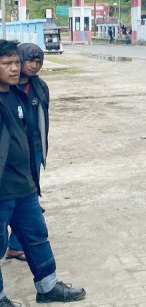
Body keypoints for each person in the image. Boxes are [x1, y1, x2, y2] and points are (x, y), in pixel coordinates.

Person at [0, 40, 86, 305]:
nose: (15, 69)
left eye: (16, 62)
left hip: (24, 186)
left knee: (37, 236)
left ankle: (48, 288)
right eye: (7, 64)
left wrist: (34, 178)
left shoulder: (19, 95)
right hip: (2, 190)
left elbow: (29, 138)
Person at [5, 44, 49, 263]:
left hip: (34, 151)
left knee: (29, 198)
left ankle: (16, 245)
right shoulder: (8, 90)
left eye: (39, 61)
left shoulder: (40, 87)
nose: (34, 65)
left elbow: (43, 121)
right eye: (30, 60)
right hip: (10, 158)